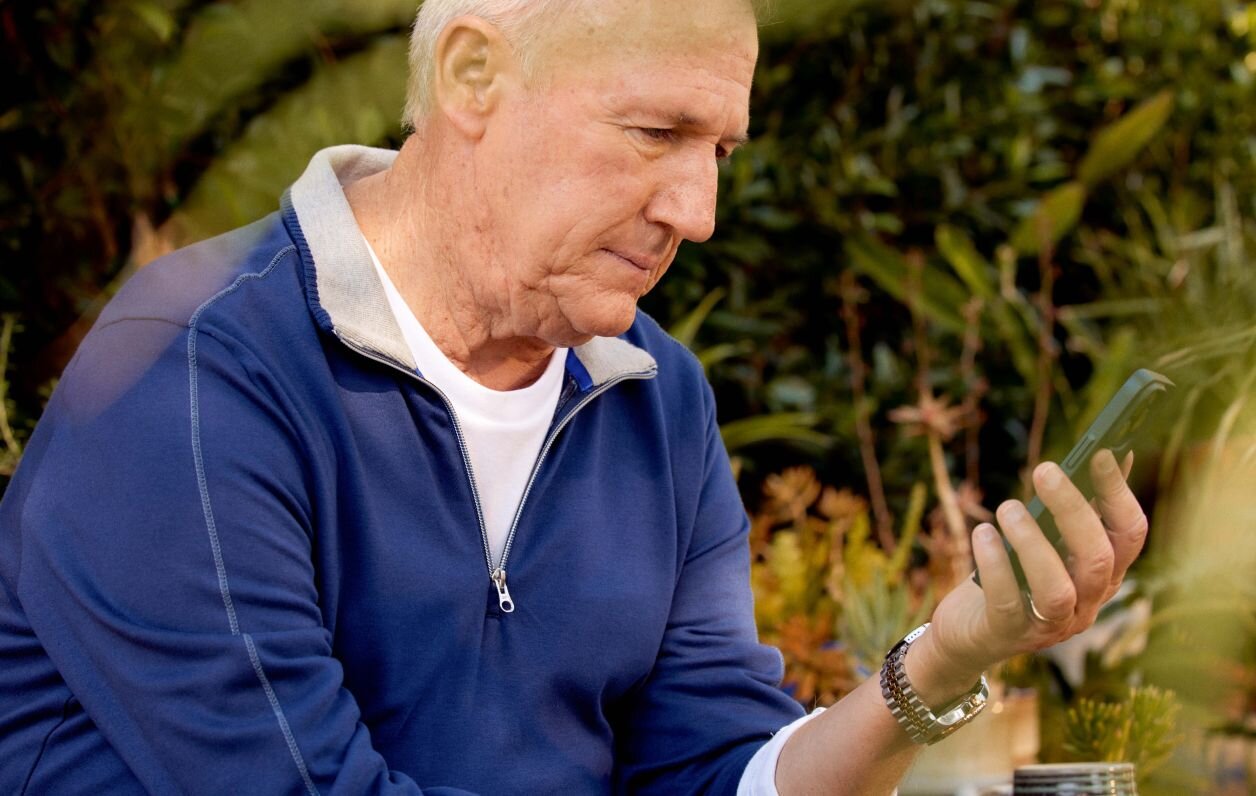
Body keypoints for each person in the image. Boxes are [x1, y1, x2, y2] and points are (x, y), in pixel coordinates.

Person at [0, 0, 1149, 793]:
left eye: (720, 152)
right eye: (656, 132)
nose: (696, 210)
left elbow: (713, 768)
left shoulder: (654, 398)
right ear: (470, 77)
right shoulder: (190, 370)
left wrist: (939, 665)